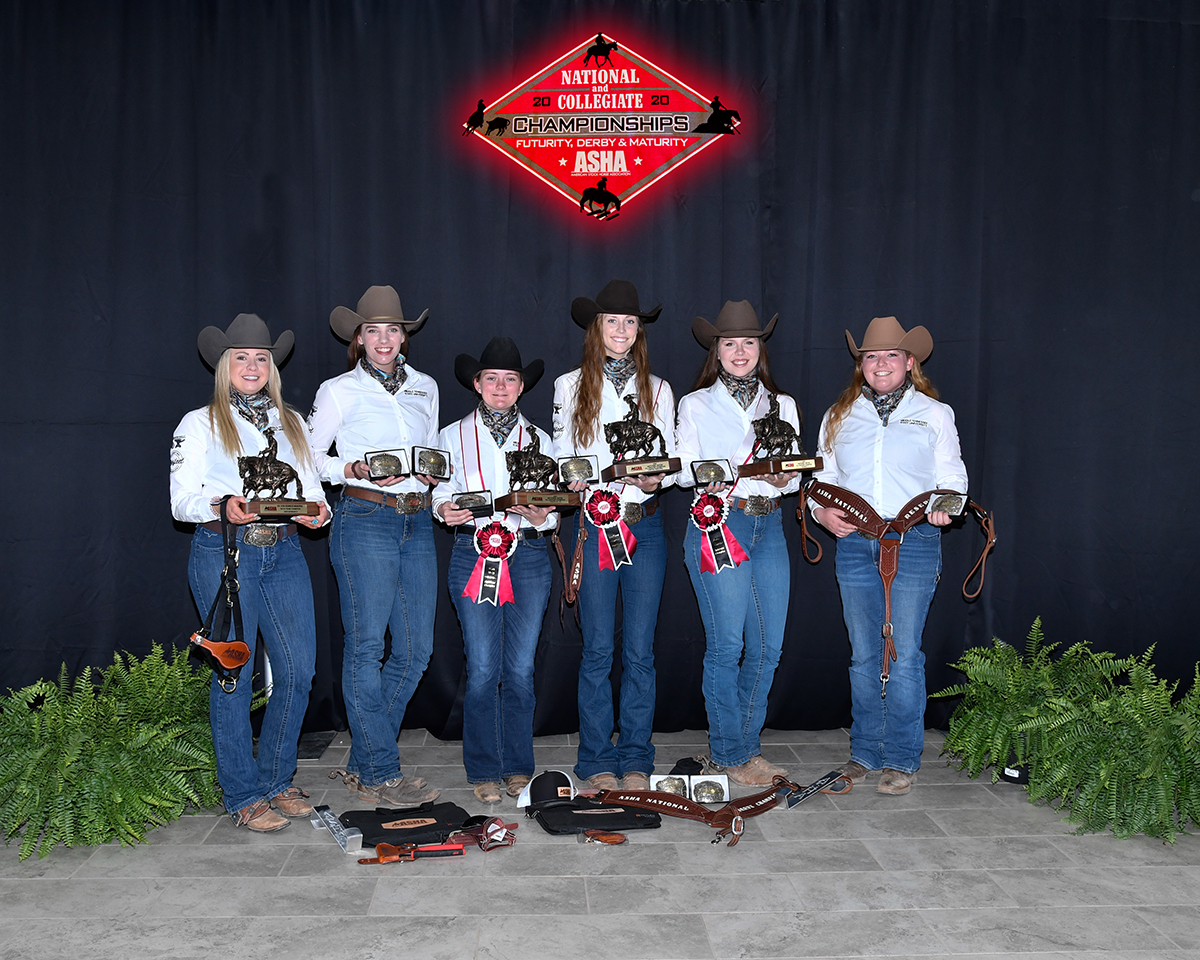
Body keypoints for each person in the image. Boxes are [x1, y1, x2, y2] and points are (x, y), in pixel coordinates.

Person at [170, 313, 329, 832]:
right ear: (224, 365)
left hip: (283, 552)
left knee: (299, 672)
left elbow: (314, 495)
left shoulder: (293, 423)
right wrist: (223, 503)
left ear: (272, 367)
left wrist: (316, 513)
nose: (253, 365)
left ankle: (276, 778)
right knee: (234, 674)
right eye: (242, 357)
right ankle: (242, 792)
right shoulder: (199, 423)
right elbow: (181, 502)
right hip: (225, 554)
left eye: (261, 358)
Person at [810, 316, 967, 795]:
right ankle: (865, 752)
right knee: (863, 654)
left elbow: (952, 476)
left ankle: (900, 757)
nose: (880, 363)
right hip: (856, 541)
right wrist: (820, 512)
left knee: (903, 654)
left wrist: (945, 508)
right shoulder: (839, 414)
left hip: (912, 541)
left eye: (890, 355)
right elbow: (824, 476)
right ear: (862, 364)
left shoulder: (934, 414)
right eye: (871, 356)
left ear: (909, 362)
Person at [307, 285, 442, 805]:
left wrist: (434, 482)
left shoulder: (425, 387)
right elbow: (309, 457)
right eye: (373, 330)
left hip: (414, 522)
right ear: (358, 338)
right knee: (366, 648)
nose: (384, 339)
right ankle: (383, 771)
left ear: (404, 334)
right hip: (363, 518)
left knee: (416, 651)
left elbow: (430, 451)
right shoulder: (338, 390)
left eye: (392, 329)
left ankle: (366, 761)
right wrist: (351, 468)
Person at [552, 279, 677, 792]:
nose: (621, 330)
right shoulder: (569, 385)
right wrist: (578, 476)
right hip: (595, 525)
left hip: (643, 527)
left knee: (641, 651)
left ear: (639, 331)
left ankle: (637, 758)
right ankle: (596, 757)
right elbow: (563, 455)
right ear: (596, 328)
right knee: (599, 649)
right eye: (612, 322)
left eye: (630, 322)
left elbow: (670, 459)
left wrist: (655, 478)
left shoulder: (660, 389)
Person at [676, 301, 801, 787]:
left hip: (768, 526)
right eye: (730, 343)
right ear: (717, 350)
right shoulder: (696, 404)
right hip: (718, 525)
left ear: (760, 349)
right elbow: (685, 469)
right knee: (727, 645)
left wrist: (780, 475)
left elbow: (792, 480)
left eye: (749, 342)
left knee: (768, 646)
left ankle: (745, 747)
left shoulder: (781, 404)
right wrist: (729, 468)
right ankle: (731, 753)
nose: (740, 351)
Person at [432, 338, 556, 804]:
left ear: (521, 387)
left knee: (521, 668)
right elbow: (437, 494)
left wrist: (547, 516)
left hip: (527, 556)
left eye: (509, 379)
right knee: (483, 667)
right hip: (473, 553)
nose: (500, 387)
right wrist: (442, 506)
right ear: (476, 384)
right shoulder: (450, 436)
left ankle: (517, 766)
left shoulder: (541, 440)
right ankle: (484, 767)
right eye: (491, 379)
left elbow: (554, 502)